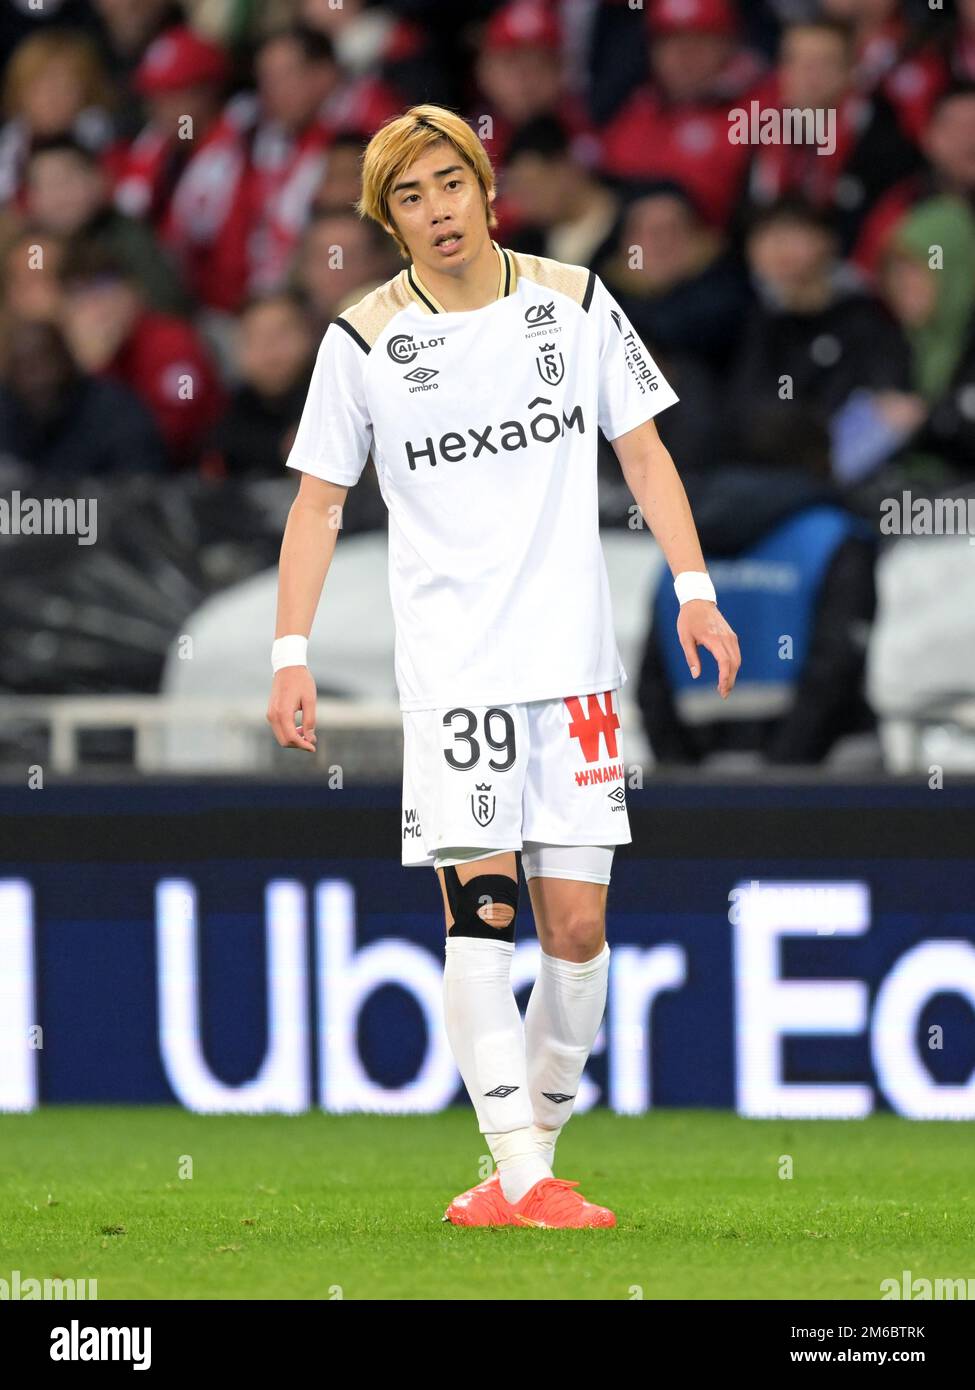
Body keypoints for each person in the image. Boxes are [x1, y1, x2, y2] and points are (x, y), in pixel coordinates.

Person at [265, 104, 740, 1229]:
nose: (437, 211)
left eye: (450, 184)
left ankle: (520, 1165)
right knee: (481, 916)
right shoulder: (365, 339)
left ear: (487, 186)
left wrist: (698, 590)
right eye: (410, 198)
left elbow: (645, 451)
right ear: (388, 221)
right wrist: (291, 651)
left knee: (576, 932)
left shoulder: (574, 303)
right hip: (457, 677)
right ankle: (525, 1173)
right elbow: (318, 504)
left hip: (574, 670)